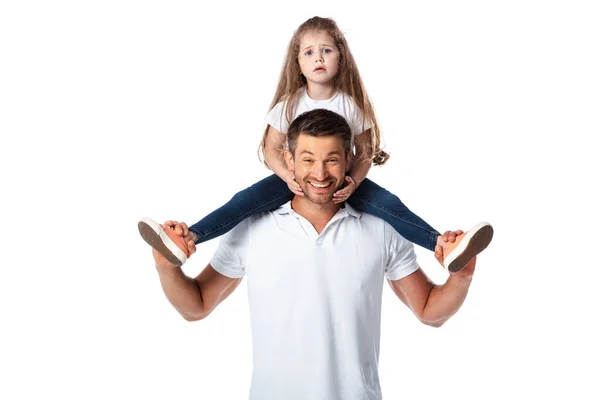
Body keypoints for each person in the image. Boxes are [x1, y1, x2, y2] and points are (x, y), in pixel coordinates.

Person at [153, 109, 480, 399]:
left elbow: (429, 311)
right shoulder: (252, 228)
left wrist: (460, 277)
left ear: (349, 160)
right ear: (289, 160)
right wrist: (166, 267)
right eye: (308, 159)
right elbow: (195, 307)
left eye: (332, 159)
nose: (320, 174)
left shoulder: (381, 229)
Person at [138, 16, 493, 273]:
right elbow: (272, 148)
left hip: (341, 182)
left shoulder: (349, 104)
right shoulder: (289, 105)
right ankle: (189, 240)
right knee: (244, 202)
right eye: (308, 52)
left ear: (340, 58)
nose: (318, 58)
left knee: (389, 205)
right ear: (298, 62)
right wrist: (287, 176)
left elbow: (365, 151)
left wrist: (354, 180)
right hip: (294, 180)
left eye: (326, 50)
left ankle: (443, 246)